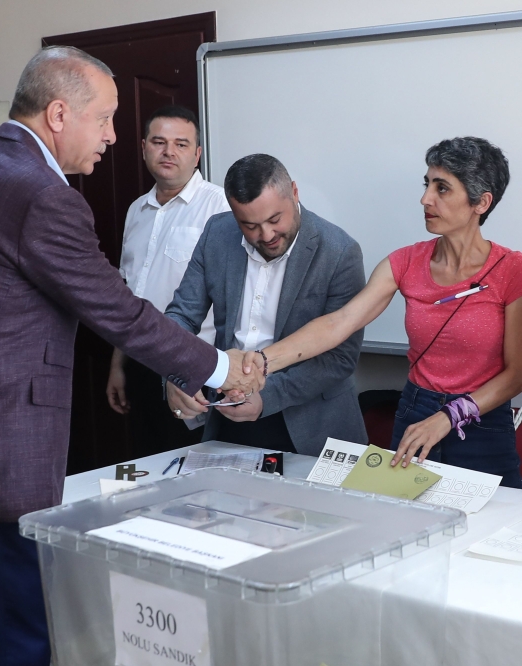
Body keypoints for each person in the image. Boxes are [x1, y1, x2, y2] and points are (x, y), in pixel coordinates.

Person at [0, 46, 262, 666]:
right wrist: (220, 366)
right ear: (56, 114)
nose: (111, 137)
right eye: (103, 119)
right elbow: (117, 310)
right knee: (15, 633)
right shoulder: (43, 195)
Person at [243, 137, 522, 485]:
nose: (425, 198)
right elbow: (338, 323)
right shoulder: (404, 262)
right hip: (416, 413)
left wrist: (450, 416)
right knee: (408, 524)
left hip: (481, 421)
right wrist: (261, 360)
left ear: (481, 202)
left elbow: (516, 374)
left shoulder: (512, 270)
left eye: (443, 188)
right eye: (427, 184)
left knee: (493, 532)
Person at [165, 154, 368, 455]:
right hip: (227, 415)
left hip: (312, 426)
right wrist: (175, 372)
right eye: (250, 226)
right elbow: (181, 314)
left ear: (295, 193)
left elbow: (339, 358)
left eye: (275, 219)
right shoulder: (216, 234)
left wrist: (267, 396)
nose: (267, 235)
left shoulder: (339, 252)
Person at [106, 104, 231, 456]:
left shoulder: (219, 208)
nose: (168, 152)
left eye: (180, 143)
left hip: (195, 367)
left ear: (197, 153)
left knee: (193, 474)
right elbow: (128, 294)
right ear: (144, 146)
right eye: (159, 142)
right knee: (147, 465)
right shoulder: (136, 210)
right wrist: (118, 366)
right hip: (141, 367)